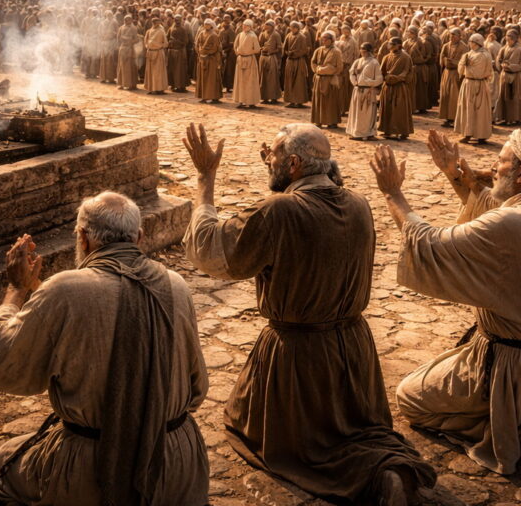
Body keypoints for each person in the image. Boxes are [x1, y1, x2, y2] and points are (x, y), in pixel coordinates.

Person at [182, 123, 436, 506]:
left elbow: (211, 248)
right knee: (356, 430)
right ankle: (384, 469)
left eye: (275, 154)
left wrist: (205, 176)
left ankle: (372, 475)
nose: (268, 156)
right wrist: (277, 170)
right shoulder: (358, 204)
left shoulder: (278, 212)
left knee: (283, 441)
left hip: (297, 358)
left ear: (295, 164)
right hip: (353, 351)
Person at [369, 129, 521, 477]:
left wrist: (393, 192)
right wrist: (456, 174)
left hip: (519, 378)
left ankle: (518, 430)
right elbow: (500, 213)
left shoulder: (514, 223)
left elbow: (432, 243)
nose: (493, 167)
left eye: (502, 161)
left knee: (410, 396)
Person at [0, 192, 210, 506]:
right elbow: (197, 388)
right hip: (176, 463)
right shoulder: (176, 285)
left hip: (96, 465)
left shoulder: (63, 289)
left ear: (83, 239)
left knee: (1, 463)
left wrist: (16, 289)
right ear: (139, 237)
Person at [455, 33, 492, 144]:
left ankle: (481, 135)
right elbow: (460, 69)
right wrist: (464, 64)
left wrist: (466, 65)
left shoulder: (483, 55)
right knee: (468, 109)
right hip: (468, 84)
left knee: (480, 111)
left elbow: (477, 72)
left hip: (478, 85)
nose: (469, 44)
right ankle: (467, 133)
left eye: (471, 42)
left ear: (477, 43)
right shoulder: (470, 54)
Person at [378, 37, 414, 140]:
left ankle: (401, 131)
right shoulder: (386, 57)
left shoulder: (406, 58)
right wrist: (386, 78)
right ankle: (388, 130)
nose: (390, 46)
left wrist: (395, 78)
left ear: (399, 45)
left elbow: (407, 73)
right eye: (389, 44)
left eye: (393, 44)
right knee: (387, 109)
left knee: (399, 110)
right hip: (388, 87)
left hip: (399, 87)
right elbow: (382, 71)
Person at [346, 43, 383, 140]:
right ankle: (356, 133)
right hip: (357, 90)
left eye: (365, 50)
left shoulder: (374, 63)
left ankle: (368, 133)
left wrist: (368, 83)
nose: (363, 52)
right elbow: (352, 73)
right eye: (362, 50)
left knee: (368, 114)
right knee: (356, 112)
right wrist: (356, 82)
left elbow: (379, 79)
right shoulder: (357, 61)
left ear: (369, 51)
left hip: (369, 91)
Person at [310, 31, 344, 128]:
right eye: (322, 38)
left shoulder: (336, 52)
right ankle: (318, 120)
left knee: (330, 101)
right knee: (318, 100)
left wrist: (328, 71)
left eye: (326, 39)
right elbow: (313, 62)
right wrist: (318, 70)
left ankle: (331, 121)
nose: (323, 40)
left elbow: (339, 67)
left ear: (331, 40)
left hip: (330, 80)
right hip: (319, 79)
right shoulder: (318, 50)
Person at [494, 30, 521, 125]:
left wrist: (511, 67)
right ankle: (504, 117)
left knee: (515, 97)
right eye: (507, 39)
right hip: (504, 76)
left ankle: (515, 118)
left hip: (515, 77)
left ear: (514, 39)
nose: (508, 41)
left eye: (510, 39)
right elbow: (498, 59)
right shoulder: (504, 48)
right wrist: (500, 65)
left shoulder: (520, 50)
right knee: (503, 96)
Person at [438, 28, 467, 127]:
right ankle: (447, 117)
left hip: (456, 74)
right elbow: (441, 58)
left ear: (459, 36)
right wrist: (445, 61)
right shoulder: (446, 46)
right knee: (446, 95)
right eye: (451, 35)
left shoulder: (464, 47)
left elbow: (464, 62)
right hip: (447, 73)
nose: (452, 37)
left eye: (454, 35)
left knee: (454, 97)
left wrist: (454, 62)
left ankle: (455, 118)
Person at [233, 19, 261, 108]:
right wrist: (238, 52)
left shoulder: (253, 36)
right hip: (241, 60)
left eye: (246, 25)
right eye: (244, 25)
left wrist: (248, 52)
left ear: (250, 27)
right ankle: (241, 101)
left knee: (250, 82)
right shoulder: (240, 35)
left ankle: (251, 102)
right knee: (240, 81)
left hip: (250, 60)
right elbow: (235, 46)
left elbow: (257, 49)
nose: (244, 26)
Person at [282, 21, 309, 108]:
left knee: (298, 81)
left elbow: (304, 50)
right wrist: (288, 53)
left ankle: (299, 101)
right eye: (292, 27)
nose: (293, 29)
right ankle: (291, 100)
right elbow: (285, 48)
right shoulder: (288, 36)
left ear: (298, 28)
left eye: (295, 27)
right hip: (290, 61)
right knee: (289, 80)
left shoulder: (302, 37)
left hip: (299, 61)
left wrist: (295, 54)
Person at [195, 18, 223, 104]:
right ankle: (204, 96)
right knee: (203, 78)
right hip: (202, 60)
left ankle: (215, 97)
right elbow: (197, 44)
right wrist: (200, 53)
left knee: (213, 78)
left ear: (211, 26)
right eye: (205, 24)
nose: (206, 25)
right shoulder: (201, 33)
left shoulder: (214, 35)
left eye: (208, 24)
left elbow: (215, 48)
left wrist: (205, 52)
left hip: (212, 60)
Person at [258, 20, 283, 104]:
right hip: (263, 57)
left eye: (269, 25)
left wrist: (273, 51)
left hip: (272, 57)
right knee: (263, 78)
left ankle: (274, 97)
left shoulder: (276, 35)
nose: (267, 27)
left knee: (272, 78)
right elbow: (259, 44)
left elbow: (279, 47)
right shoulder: (262, 34)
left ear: (272, 26)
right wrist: (262, 49)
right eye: (266, 25)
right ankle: (264, 97)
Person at [166, 14, 191, 93]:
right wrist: (169, 43)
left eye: (178, 19)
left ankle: (181, 86)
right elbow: (167, 38)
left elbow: (186, 41)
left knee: (180, 70)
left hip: (180, 51)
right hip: (172, 51)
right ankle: (173, 84)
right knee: (172, 69)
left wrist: (177, 42)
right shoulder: (171, 28)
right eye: (175, 19)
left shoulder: (183, 29)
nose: (176, 21)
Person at [143, 18, 168, 94]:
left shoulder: (161, 31)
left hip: (158, 53)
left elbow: (166, 43)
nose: (155, 23)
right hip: (150, 53)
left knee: (159, 72)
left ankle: (159, 89)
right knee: (151, 72)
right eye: (153, 22)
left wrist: (159, 47)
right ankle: (151, 88)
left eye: (156, 22)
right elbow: (145, 41)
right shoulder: (149, 31)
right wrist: (149, 47)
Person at [117, 15, 141, 90]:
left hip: (130, 49)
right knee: (121, 66)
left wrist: (130, 41)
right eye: (125, 19)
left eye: (127, 19)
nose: (126, 21)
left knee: (131, 67)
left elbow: (137, 39)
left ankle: (132, 84)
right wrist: (122, 41)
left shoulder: (133, 28)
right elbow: (118, 37)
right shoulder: (121, 28)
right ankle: (122, 83)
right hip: (123, 48)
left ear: (130, 20)